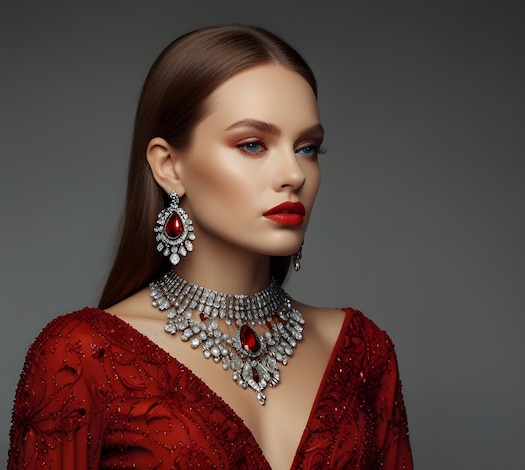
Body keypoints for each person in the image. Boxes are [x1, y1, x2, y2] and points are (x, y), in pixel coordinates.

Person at [8, 25, 413, 469]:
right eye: (253, 144)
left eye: (307, 148)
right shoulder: (83, 355)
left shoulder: (363, 354)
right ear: (169, 166)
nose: (294, 174)